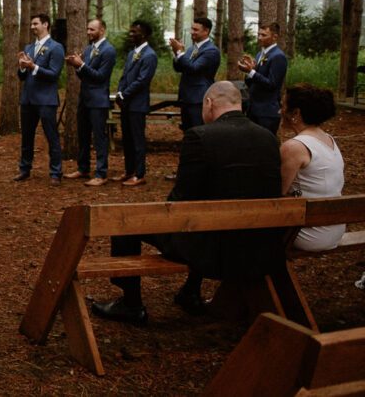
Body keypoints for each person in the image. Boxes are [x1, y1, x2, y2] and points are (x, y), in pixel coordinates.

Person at [91, 82, 284, 325]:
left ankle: (130, 303)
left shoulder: (200, 137)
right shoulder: (268, 138)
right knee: (206, 219)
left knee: (125, 225)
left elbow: (180, 203)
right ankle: (190, 292)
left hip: (212, 252)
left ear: (209, 104)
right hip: (257, 246)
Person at [280, 84, 345, 251]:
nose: (280, 112)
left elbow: (277, 193)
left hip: (309, 233)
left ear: (296, 113)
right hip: (335, 228)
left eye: (283, 106)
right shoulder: (328, 139)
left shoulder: (294, 147)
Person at [64, 19, 117, 187]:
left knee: (99, 137)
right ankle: (83, 168)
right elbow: (84, 75)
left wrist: (82, 65)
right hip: (85, 98)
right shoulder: (88, 49)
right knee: (83, 134)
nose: (88, 32)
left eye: (92, 29)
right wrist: (77, 66)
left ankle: (101, 173)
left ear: (101, 30)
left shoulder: (108, 51)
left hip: (98, 100)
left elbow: (101, 77)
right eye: (87, 29)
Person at [14, 13, 64, 186]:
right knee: (26, 137)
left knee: (52, 137)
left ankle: (56, 172)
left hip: (46, 100)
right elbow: (22, 76)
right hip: (27, 99)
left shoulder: (56, 47)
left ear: (46, 24)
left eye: (36, 24)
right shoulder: (28, 48)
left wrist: (33, 66)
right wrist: (21, 67)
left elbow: (54, 74)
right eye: (31, 24)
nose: (32, 27)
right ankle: (24, 169)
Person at [113, 21, 159, 186]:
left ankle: (139, 175)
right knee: (127, 139)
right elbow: (125, 76)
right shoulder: (133, 53)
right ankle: (129, 170)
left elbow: (142, 80)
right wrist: (119, 92)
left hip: (137, 104)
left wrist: (124, 94)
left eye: (135, 32)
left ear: (144, 34)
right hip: (127, 103)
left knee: (137, 140)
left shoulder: (149, 55)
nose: (131, 35)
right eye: (130, 32)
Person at [168, 17, 220, 132]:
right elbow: (179, 68)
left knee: (198, 131)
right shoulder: (192, 48)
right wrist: (176, 53)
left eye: (196, 30)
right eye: (192, 29)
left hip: (198, 99)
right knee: (188, 131)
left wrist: (180, 52)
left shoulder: (211, 51)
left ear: (206, 31)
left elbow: (193, 68)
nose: (192, 32)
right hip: (186, 97)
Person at [238, 22, 288, 134]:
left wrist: (251, 72)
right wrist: (248, 71)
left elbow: (272, 84)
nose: (260, 38)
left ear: (275, 37)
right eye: (259, 34)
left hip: (267, 112)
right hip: (253, 109)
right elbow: (252, 83)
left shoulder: (278, 56)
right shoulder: (259, 54)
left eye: (264, 35)